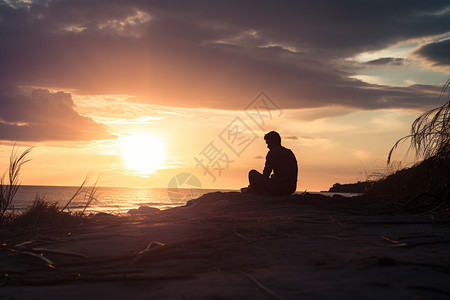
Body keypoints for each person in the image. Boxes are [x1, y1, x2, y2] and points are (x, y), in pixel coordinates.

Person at [243, 131, 298, 195]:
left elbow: (266, 174)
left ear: (272, 142)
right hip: (290, 189)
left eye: (268, 143)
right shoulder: (289, 152)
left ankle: (256, 191)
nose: (267, 146)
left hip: (278, 189)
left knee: (252, 173)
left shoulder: (272, 153)